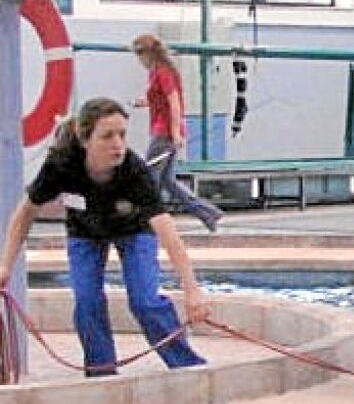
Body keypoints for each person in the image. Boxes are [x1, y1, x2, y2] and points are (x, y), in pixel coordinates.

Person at [0, 97, 211, 376]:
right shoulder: (61, 164)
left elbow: (167, 231)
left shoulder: (134, 171)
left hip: (134, 230)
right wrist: (5, 265)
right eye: (107, 136)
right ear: (85, 140)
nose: (118, 144)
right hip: (85, 232)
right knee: (87, 302)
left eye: (122, 134)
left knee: (145, 301)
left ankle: (187, 367)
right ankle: (102, 373)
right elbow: (24, 213)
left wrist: (192, 290)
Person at [130, 33, 224, 232]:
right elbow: (161, 99)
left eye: (139, 56)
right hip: (163, 130)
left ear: (147, 54)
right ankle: (208, 213)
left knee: (150, 177)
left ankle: (147, 219)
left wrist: (175, 133)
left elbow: (174, 102)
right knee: (168, 181)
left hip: (164, 132)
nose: (139, 61)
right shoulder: (155, 72)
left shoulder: (163, 72)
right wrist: (144, 102)